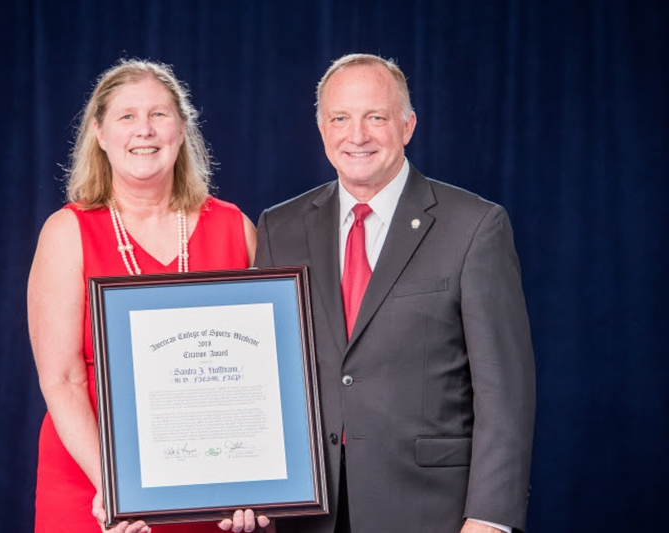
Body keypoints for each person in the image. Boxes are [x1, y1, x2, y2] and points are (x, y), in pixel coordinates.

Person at [222, 54, 536, 533]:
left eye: (376, 117)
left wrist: (490, 518)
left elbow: (504, 391)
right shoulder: (280, 226)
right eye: (340, 118)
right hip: (307, 513)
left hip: (431, 510)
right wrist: (244, 483)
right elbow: (264, 375)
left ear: (407, 125)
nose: (357, 135)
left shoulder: (474, 226)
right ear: (322, 129)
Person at [28, 59, 257, 533]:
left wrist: (257, 481)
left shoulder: (237, 228)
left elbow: (264, 376)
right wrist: (115, 488)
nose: (144, 130)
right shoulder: (67, 232)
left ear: (181, 128)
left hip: (210, 487)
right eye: (127, 116)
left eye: (159, 114)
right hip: (92, 484)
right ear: (100, 133)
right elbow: (63, 380)